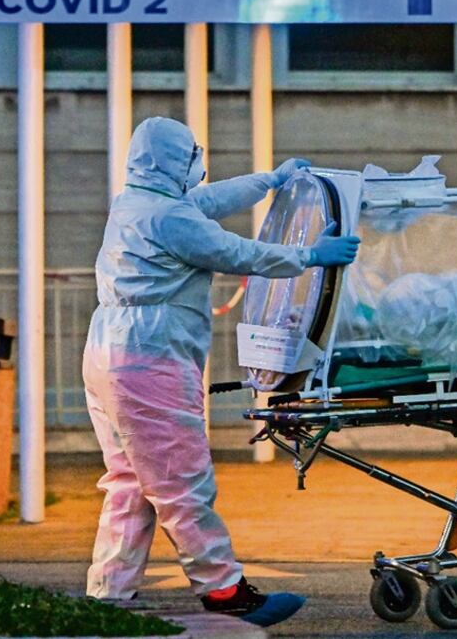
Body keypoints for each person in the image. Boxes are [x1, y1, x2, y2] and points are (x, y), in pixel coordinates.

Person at [83, 117, 359, 626]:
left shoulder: (136, 203)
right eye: (192, 154)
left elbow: (210, 200)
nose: (198, 163)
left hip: (110, 353)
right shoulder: (171, 219)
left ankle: (108, 592)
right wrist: (310, 255)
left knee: (130, 481)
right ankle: (224, 589)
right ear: (172, 161)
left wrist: (270, 180)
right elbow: (236, 252)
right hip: (151, 357)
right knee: (180, 481)